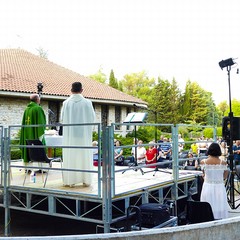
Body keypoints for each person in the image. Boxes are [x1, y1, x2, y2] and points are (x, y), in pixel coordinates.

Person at [61, 82, 96, 187]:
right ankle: (86, 180)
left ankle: (70, 181)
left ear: (71, 90)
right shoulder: (87, 103)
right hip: (83, 135)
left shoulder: (66, 103)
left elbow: (62, 119)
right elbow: (92, 118)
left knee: (71, 155)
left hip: (70, 135)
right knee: (84, 155)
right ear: (82, 90)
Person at [200, 142, 229, 219]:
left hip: (207, 186)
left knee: (207, 204)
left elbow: (204, 174)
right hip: (219, 186)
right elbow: (225, 176)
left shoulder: (203, 162)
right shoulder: (223, 163)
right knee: (219, 205)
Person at [20, 93, 46, 164]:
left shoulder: (26, 109)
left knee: (28, 148)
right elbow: (41, 123)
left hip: (27, 135)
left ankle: (28, 168)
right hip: (36, 135)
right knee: (39, 148)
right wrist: (41, 135)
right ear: (37, 100)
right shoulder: (38, 108)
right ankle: (40, 168)